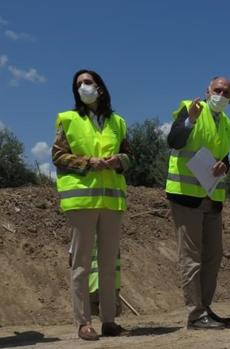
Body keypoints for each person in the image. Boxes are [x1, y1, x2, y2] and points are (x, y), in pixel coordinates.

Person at [52, 69, 131, 341]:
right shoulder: (68, 119)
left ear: (100, 87)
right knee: (82, 264)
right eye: (79, 84)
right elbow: (58, 156)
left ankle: (109, 321)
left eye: (87, 82)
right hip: (81, 200)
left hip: (111, 201)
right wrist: (88, 162)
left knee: (109, 263)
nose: (83, 87)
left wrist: (119, 161)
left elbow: (130, 156)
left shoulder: (118, 122)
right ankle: (83, 322)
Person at [165, 76, 230, 330]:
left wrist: (223, 166)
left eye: (226, 92)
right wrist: (190, 120)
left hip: (212, 197)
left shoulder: (227, 124)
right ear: (207, 91)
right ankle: (195, 314)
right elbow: (174, 141)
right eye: (218, 90)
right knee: (191, 257)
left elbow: (225, 158)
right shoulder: (190, 108)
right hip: (186, 195)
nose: (221, 94)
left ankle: (205, 308)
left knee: (213, 256)